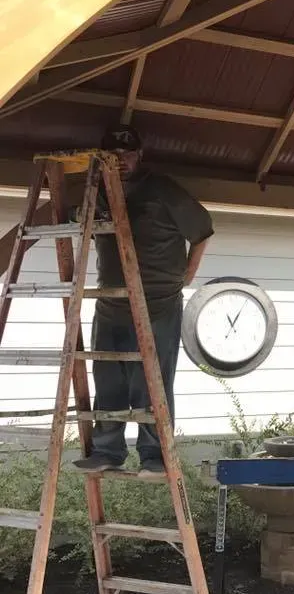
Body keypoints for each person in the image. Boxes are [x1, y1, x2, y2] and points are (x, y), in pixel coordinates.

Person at [73, 125, 213, 477]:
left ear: (140, 155)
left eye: (127, 154)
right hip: (111, 303)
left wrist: (186, 277)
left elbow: (202, 231)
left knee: (151, 380)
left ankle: (154, 457)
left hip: (158, 305)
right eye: (112, 155)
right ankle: (107, 451)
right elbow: (74, 219)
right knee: (108, 377)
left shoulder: (162, 190)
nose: (120, 161)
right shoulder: (98, 193)